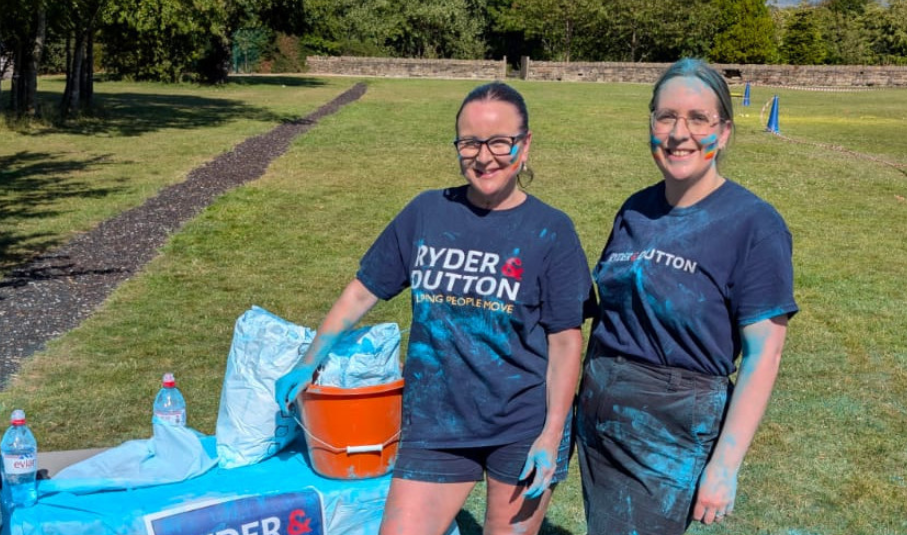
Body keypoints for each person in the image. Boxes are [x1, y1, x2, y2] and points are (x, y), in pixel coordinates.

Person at [275, 82, 592, 535]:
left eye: (499, 141)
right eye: (469, 143)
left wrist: (552, 433)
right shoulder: (426, 212)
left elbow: (565, 342)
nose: (484, 157)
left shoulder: (551, 230)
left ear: (525, 144)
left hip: (523, 425)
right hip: (436, 422)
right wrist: (310, 361)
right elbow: (363, 290)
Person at [576, 58, 797, 534]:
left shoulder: (753, 224)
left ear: (725, 132)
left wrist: (724, 466)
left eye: (699, 119)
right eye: (666, 116)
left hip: (671, 431)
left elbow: (765, 354)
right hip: (598, 417)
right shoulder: (636, 208)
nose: (679, 133)